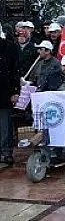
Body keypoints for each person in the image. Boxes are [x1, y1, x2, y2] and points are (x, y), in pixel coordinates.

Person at [0, 32, 20, 166]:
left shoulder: (10, 47)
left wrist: (15, 91)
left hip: (4, 91)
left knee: (5, 124)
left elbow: (15, 70)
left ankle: (6, 152)